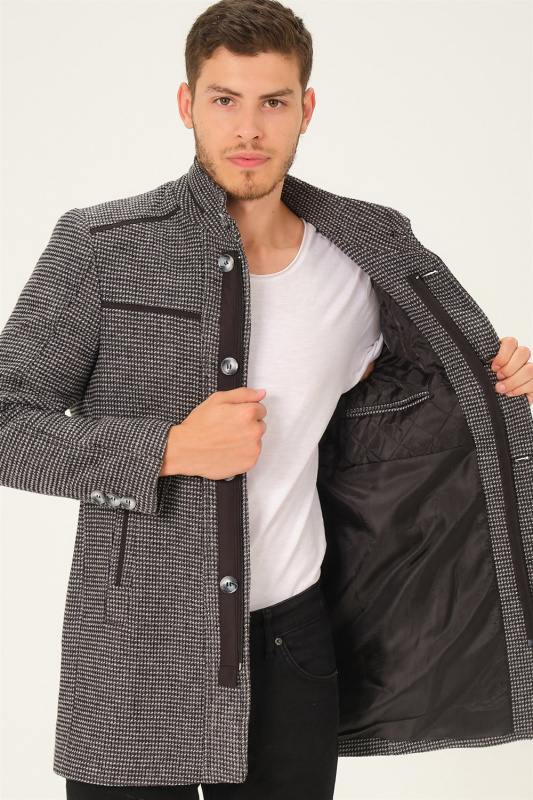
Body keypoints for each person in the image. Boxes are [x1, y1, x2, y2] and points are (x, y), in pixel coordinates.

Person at [1, 1, 532, 798]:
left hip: (292, 639)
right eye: (224, 100)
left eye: (273, 102)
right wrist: (168, 449)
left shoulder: (368, 250)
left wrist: (500, 382)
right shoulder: (103, 248)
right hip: (136, 647)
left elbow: (421, 396)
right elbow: (6, 420)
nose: (248, 129)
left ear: (305, 109)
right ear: (186, 104)